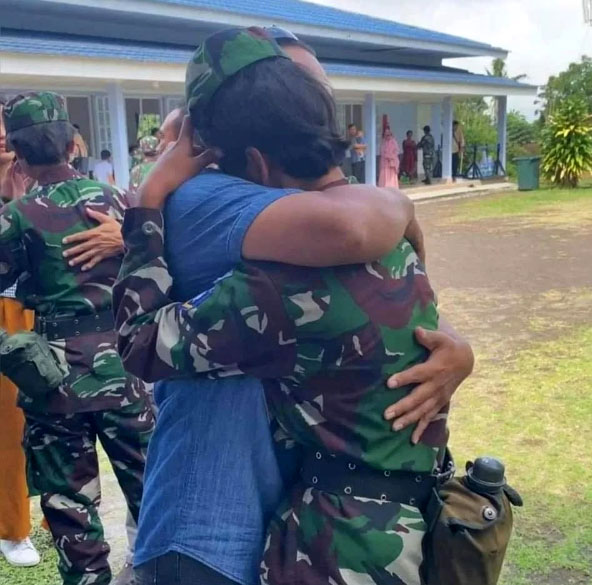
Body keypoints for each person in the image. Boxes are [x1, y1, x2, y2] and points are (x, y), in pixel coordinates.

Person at [123, 27, 473, 585]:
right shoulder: (245, 206)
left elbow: (141, 342)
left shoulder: (289, 268)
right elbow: (356, 228)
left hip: (329, 539)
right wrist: (397, 205)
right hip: (239, 526)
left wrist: (147, 202)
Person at [0, 91, 154, 585]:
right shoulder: (120, 202)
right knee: (153, 494)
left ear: (18, 154)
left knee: (71, 509)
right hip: (125, 369)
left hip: (56, 381)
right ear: (73, 143)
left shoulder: (18, 215)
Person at [0, 95, 40, 569]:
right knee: (8, 425)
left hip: (42, 308)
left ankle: (58, 512)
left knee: (52, 419)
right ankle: (13, 528)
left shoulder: (43, 177)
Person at [378, 118, 400, 188]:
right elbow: (382, 152)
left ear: (391, 135)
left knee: (392, 177)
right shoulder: (383, 143)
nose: (387, 136)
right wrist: (387, 156)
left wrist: (390, 157)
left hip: (392, 163)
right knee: (384, 176)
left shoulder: (394, 142)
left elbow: (396, 152)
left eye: (389, 135)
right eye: (386, 135)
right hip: (385, 163)